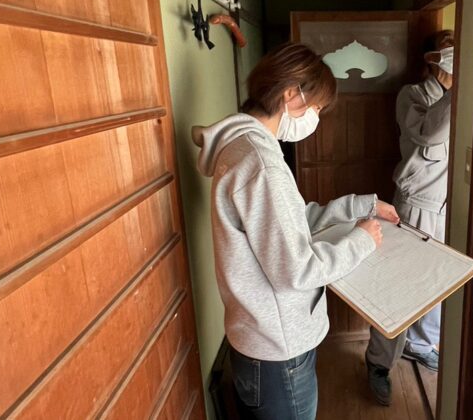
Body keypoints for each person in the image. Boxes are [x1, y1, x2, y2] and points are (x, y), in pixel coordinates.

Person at [192, 42, 400, 420]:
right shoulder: (261, 164)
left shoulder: (245, 147)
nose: (316, 117)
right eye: (316, 107)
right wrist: (362, 240)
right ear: (291, 94)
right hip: (278, 351)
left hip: (258, 340)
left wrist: (364, 206)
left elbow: (295, 219)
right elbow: (297, 270)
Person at [365, 30, 455, 406]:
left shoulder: (462, 94)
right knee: (399, 285)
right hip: (415, 202)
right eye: (450, 51)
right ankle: (377, 362)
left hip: (447, 206)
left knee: (437, 282)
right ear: (432, 59)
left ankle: (419, 344)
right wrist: (456, 90)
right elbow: (430, 135)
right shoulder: (413, 95)